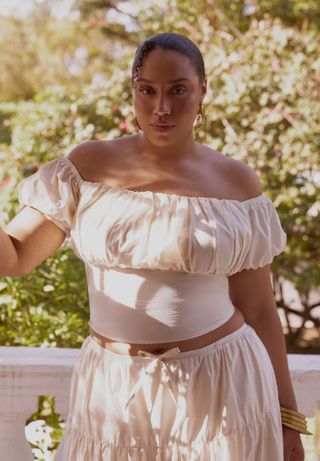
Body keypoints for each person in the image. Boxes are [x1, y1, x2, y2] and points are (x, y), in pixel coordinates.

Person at [0, 32, 310, 460]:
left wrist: (289, 419)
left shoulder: (236, 182)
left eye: (178, 90)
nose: (161, 107)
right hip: (112, 394)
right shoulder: (87, 166)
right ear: (133, 92)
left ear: (203, 93)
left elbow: (258, 308)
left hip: (222, 387)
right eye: (147, 90)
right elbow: (14, 257)